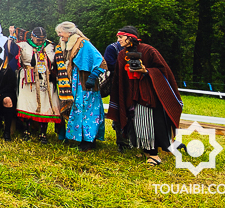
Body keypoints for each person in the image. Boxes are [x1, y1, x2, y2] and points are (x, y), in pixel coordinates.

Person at [107, 26, 183, 166]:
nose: (118, 40)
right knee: (135, 123)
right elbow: (119, 77)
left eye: (120, 37)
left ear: (130, 37)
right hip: (130, 95)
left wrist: (146, 71)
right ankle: (144, 150)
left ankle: (153, 155)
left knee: (147, 124)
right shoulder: (122, 54)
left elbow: (163, 70)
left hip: (148, 95)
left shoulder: (148, 50)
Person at [54, 21, 106, 151]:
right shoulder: (67, 45)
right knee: (78, 109)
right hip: (75, 82)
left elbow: (101, 61)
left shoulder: (83, 43)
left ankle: (89, 141)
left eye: (60, 32)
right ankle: (83, 139)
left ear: (69, 32)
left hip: (85, 82)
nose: (59, 35)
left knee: (88, 110)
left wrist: (93, 77)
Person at [15, 27, 60, 143]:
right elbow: (13, 55)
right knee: (28, 104)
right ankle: (27, 131)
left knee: (45, 105)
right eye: (38, 39)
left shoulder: (50, 47)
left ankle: (43, 134)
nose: (40, 42)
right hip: (28, 79)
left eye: (42, 39)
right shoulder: (23, 45)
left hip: (46, 79)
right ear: (32, 36)